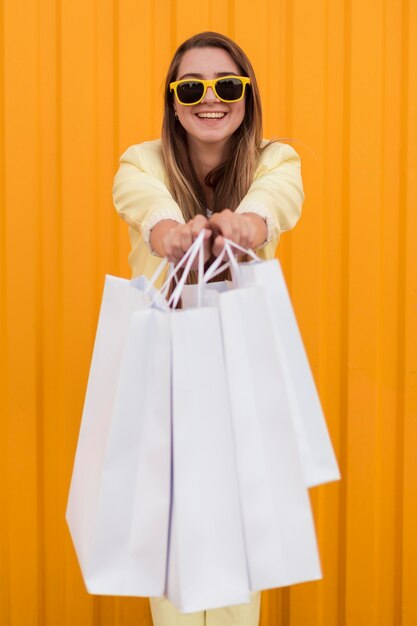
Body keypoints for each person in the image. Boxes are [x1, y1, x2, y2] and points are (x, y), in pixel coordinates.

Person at [113, 31, 304, 626]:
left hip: (243, 384)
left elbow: (278, 200)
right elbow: (147, 206)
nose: (210, 99)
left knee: (239, 566)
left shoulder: (276, 158)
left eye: (227, 85)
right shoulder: (140, 161)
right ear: (173, 101)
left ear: (247, 95)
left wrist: (247, 226)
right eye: (191, 87)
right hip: (163, 389)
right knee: (172, 562)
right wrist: (173, 236)